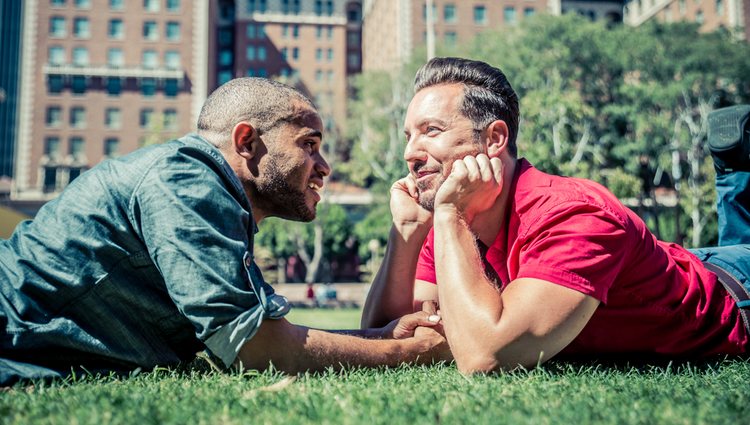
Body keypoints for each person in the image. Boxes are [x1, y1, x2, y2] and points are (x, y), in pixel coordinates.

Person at [0, 78, 447, 386]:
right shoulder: (188, 183)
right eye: (308, 144)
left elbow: (261, 329)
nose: (324, 166)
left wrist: (380, 338)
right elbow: (256, 348)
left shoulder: (213, 196)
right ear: (247, 142)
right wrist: (406, 352)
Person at [361, 57, 750, 373]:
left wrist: (450, 215)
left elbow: (485, 356)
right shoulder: (451, 230)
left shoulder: (574, 214)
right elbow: (380, 333)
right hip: (664, 266)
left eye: (431, 130)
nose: (410, 154)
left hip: (735, 290)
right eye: (409, 136)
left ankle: (736, 167)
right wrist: (408, 230)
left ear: (494, 139)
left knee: (742, 245)